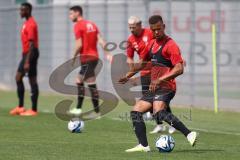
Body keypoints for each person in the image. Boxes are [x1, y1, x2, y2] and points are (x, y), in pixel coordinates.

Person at [119, 15, 197, 152]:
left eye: (159, 29)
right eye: (153, 30)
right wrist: (128, 75)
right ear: (150, 29)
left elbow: (179, 69)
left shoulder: (171, 45)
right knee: (135, 112)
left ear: (164, 27)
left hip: (167, 86)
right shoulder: (152, 44)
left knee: (159, 112)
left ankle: (189, 134)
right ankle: (143, 146)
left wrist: (160, 79)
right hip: (154, 86)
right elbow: (142, 63)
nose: (156, 32)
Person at [126, 16, 175, 134]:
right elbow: (129, 57)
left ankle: (172, 124)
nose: (132, 29)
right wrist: (131, 73)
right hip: (144, 73)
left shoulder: (151, 32)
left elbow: (163, 45)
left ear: (140, 25)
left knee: (161, 101)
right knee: (150, 101)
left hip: (156, 73)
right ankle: (159, 125)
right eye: (130, 27)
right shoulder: (130, 40)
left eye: (133, 27)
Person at [68, 5, 112, 117]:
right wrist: (108, 54)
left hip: (87, 58)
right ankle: (85, 109)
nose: (70, 16)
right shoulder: (92, 24)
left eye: (71, 13)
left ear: (78, 13)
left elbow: (79, 45)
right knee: (82, 81)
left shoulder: (78, 25)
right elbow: (101, 41)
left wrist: (73, 57)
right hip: (94, 58)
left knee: (85, 81)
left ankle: (95, 111)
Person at [10, 2, 39, 116]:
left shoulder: (31, 24)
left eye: (22, 10)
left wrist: (27, 61)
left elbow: (32, 45)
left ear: (28, 10)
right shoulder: (26, 23)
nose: (20, 12)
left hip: (30, 54)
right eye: (20, 10)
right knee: (18, 77)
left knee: (31, 80)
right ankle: (21, 107)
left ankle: (33, 110)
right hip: (26, 53)